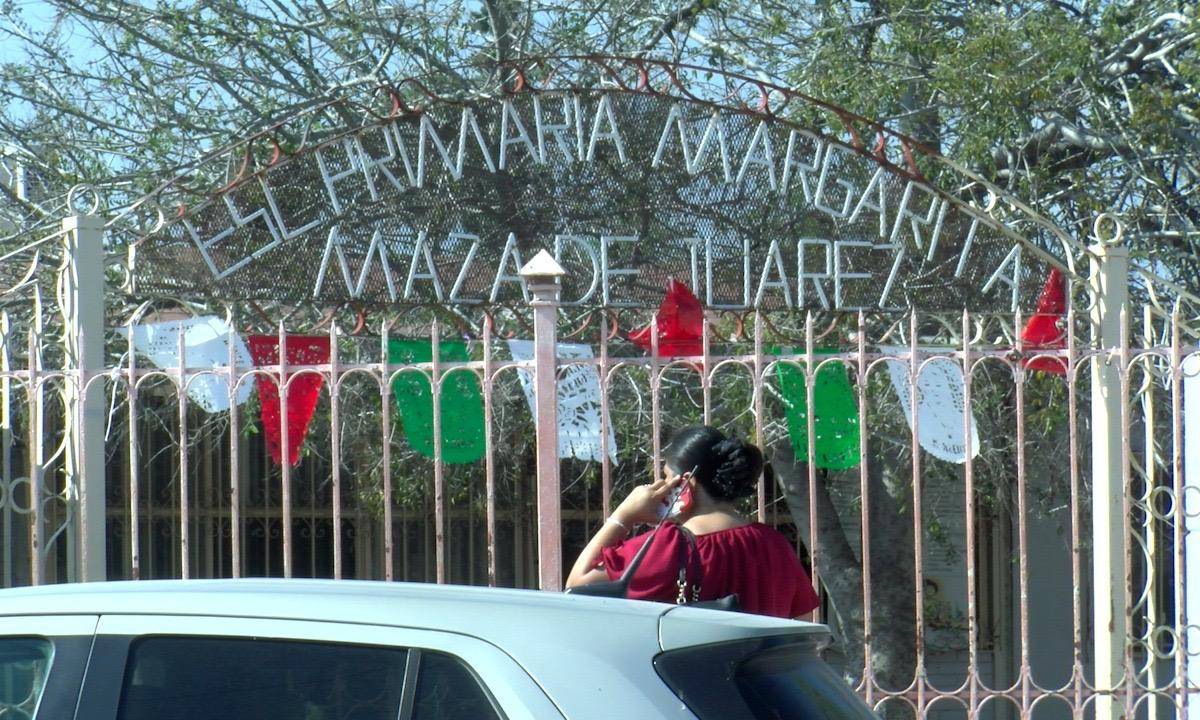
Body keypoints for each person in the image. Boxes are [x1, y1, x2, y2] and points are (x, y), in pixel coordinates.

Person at [565, 425, 820, 619]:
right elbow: (803, 620)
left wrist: (624, 515)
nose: (662, 487)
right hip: (758, 675)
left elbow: (577, 582)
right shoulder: (774, 544)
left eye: (667, 478)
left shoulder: (667, 546)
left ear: (687, 483)